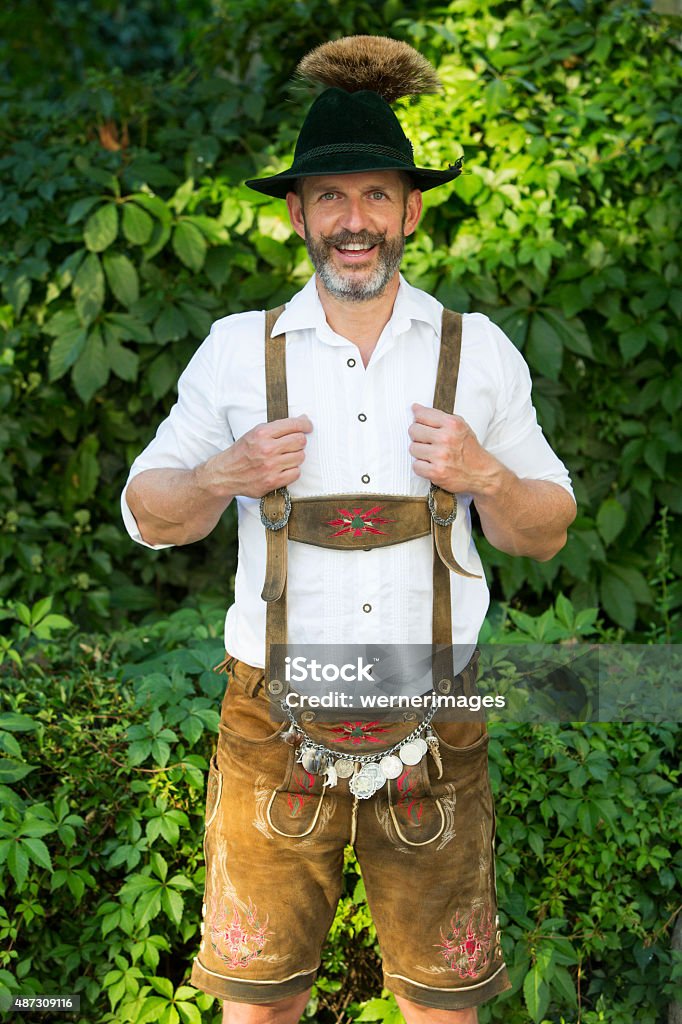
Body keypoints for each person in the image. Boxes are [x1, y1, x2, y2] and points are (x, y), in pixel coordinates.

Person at [121, 35, 576, 1024]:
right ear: (298, 215)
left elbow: (544, 528)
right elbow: (147, 512)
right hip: (268, 718)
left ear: (411, 209)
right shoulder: (237, 351)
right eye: (331, 197)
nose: (353, 220)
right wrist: (219, 473)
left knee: (446, 1006)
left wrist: (484, 472)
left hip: (439, 714)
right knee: (257, 1004)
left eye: (375, 195)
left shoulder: (478, 351)